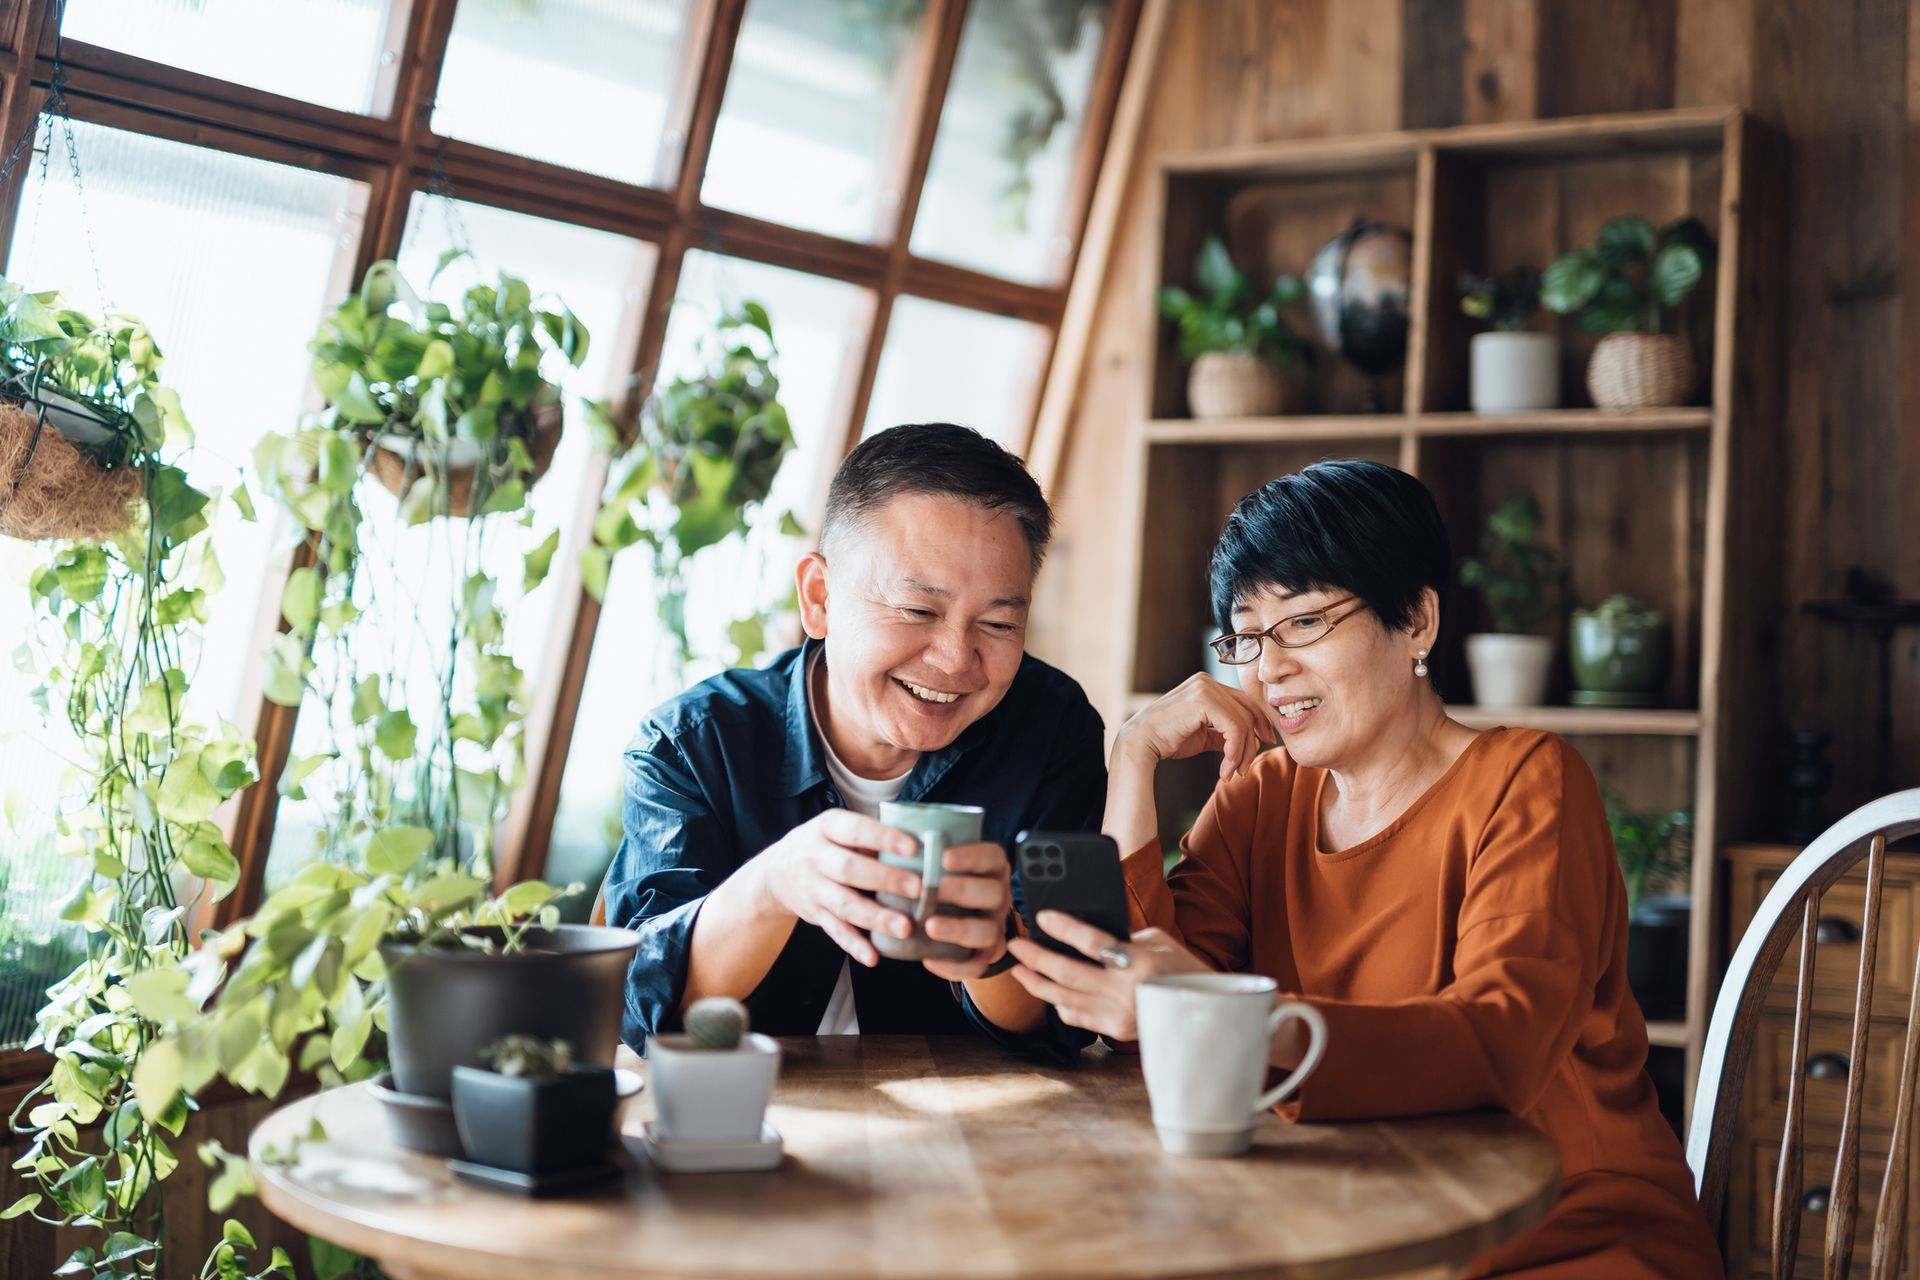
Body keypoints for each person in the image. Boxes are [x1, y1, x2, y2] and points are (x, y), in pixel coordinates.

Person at [1006, 459, 1721, 1276]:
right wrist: (1133, 759)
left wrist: (1214, 1017)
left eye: (1306, 622)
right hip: (1353, 1222)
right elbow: (1137, 1018)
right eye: (1248, 634)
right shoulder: (1262, 796)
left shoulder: (1528, 781)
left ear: (1416, 622)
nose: (1267, 668)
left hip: (1559, 1232)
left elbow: (1499, 1044)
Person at [607, 422, 1103, 1060]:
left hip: (973, 1133)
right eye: (918, 611)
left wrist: (993, 954)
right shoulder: (695, 745)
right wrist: (774, 885)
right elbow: (647, 1012)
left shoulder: (1050, 730)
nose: (955, 660)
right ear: (819, 597)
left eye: (999, 622)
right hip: (747, 1114)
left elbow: (1068, 1017)